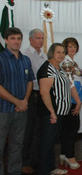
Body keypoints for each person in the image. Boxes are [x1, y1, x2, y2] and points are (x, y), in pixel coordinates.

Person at [37, 43, 80, 175]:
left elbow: (68, 86)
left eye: (63, 52)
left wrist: (77, 101)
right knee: (46, 143)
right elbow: (44, 92)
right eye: (58, 52)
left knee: (51, 143)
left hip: (61, 112)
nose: (61, 54)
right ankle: (43, 171)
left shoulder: (60, 68)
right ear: (51, 53)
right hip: (51, 113)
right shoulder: (47, 68)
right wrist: (52, 112)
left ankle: (51, 168)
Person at [0, 27, 34, 175]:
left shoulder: (26, 60)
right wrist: (17, 102)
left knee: (17, 145)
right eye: (13, 38)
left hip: (22, 110)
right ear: (6, 40)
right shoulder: (0, 59)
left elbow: (30, 82)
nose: (16, 41)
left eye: (19, 38)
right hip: (3, 111)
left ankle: (14, 172)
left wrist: (24, 100)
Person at [22, 28, 47, 174]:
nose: (41, 41)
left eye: (42, 38)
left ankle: (34, 160)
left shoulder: (43, 55)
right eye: (38, 38)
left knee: (38, 129)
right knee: (27, 130)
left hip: (42, 94)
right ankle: (24, 161)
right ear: (30, 39)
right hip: (29, 94)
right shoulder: (25, 54)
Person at [59, 38, 82, 169]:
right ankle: (70, 155)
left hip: (74, 98)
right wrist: (78, 102)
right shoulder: (66, 62)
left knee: (68, 128)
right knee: (72, 128)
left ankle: (64, 153)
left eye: (74, 46)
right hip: (72, 99)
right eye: (70, 47)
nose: (73, 49)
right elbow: (70, 82)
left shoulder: (72, 61)